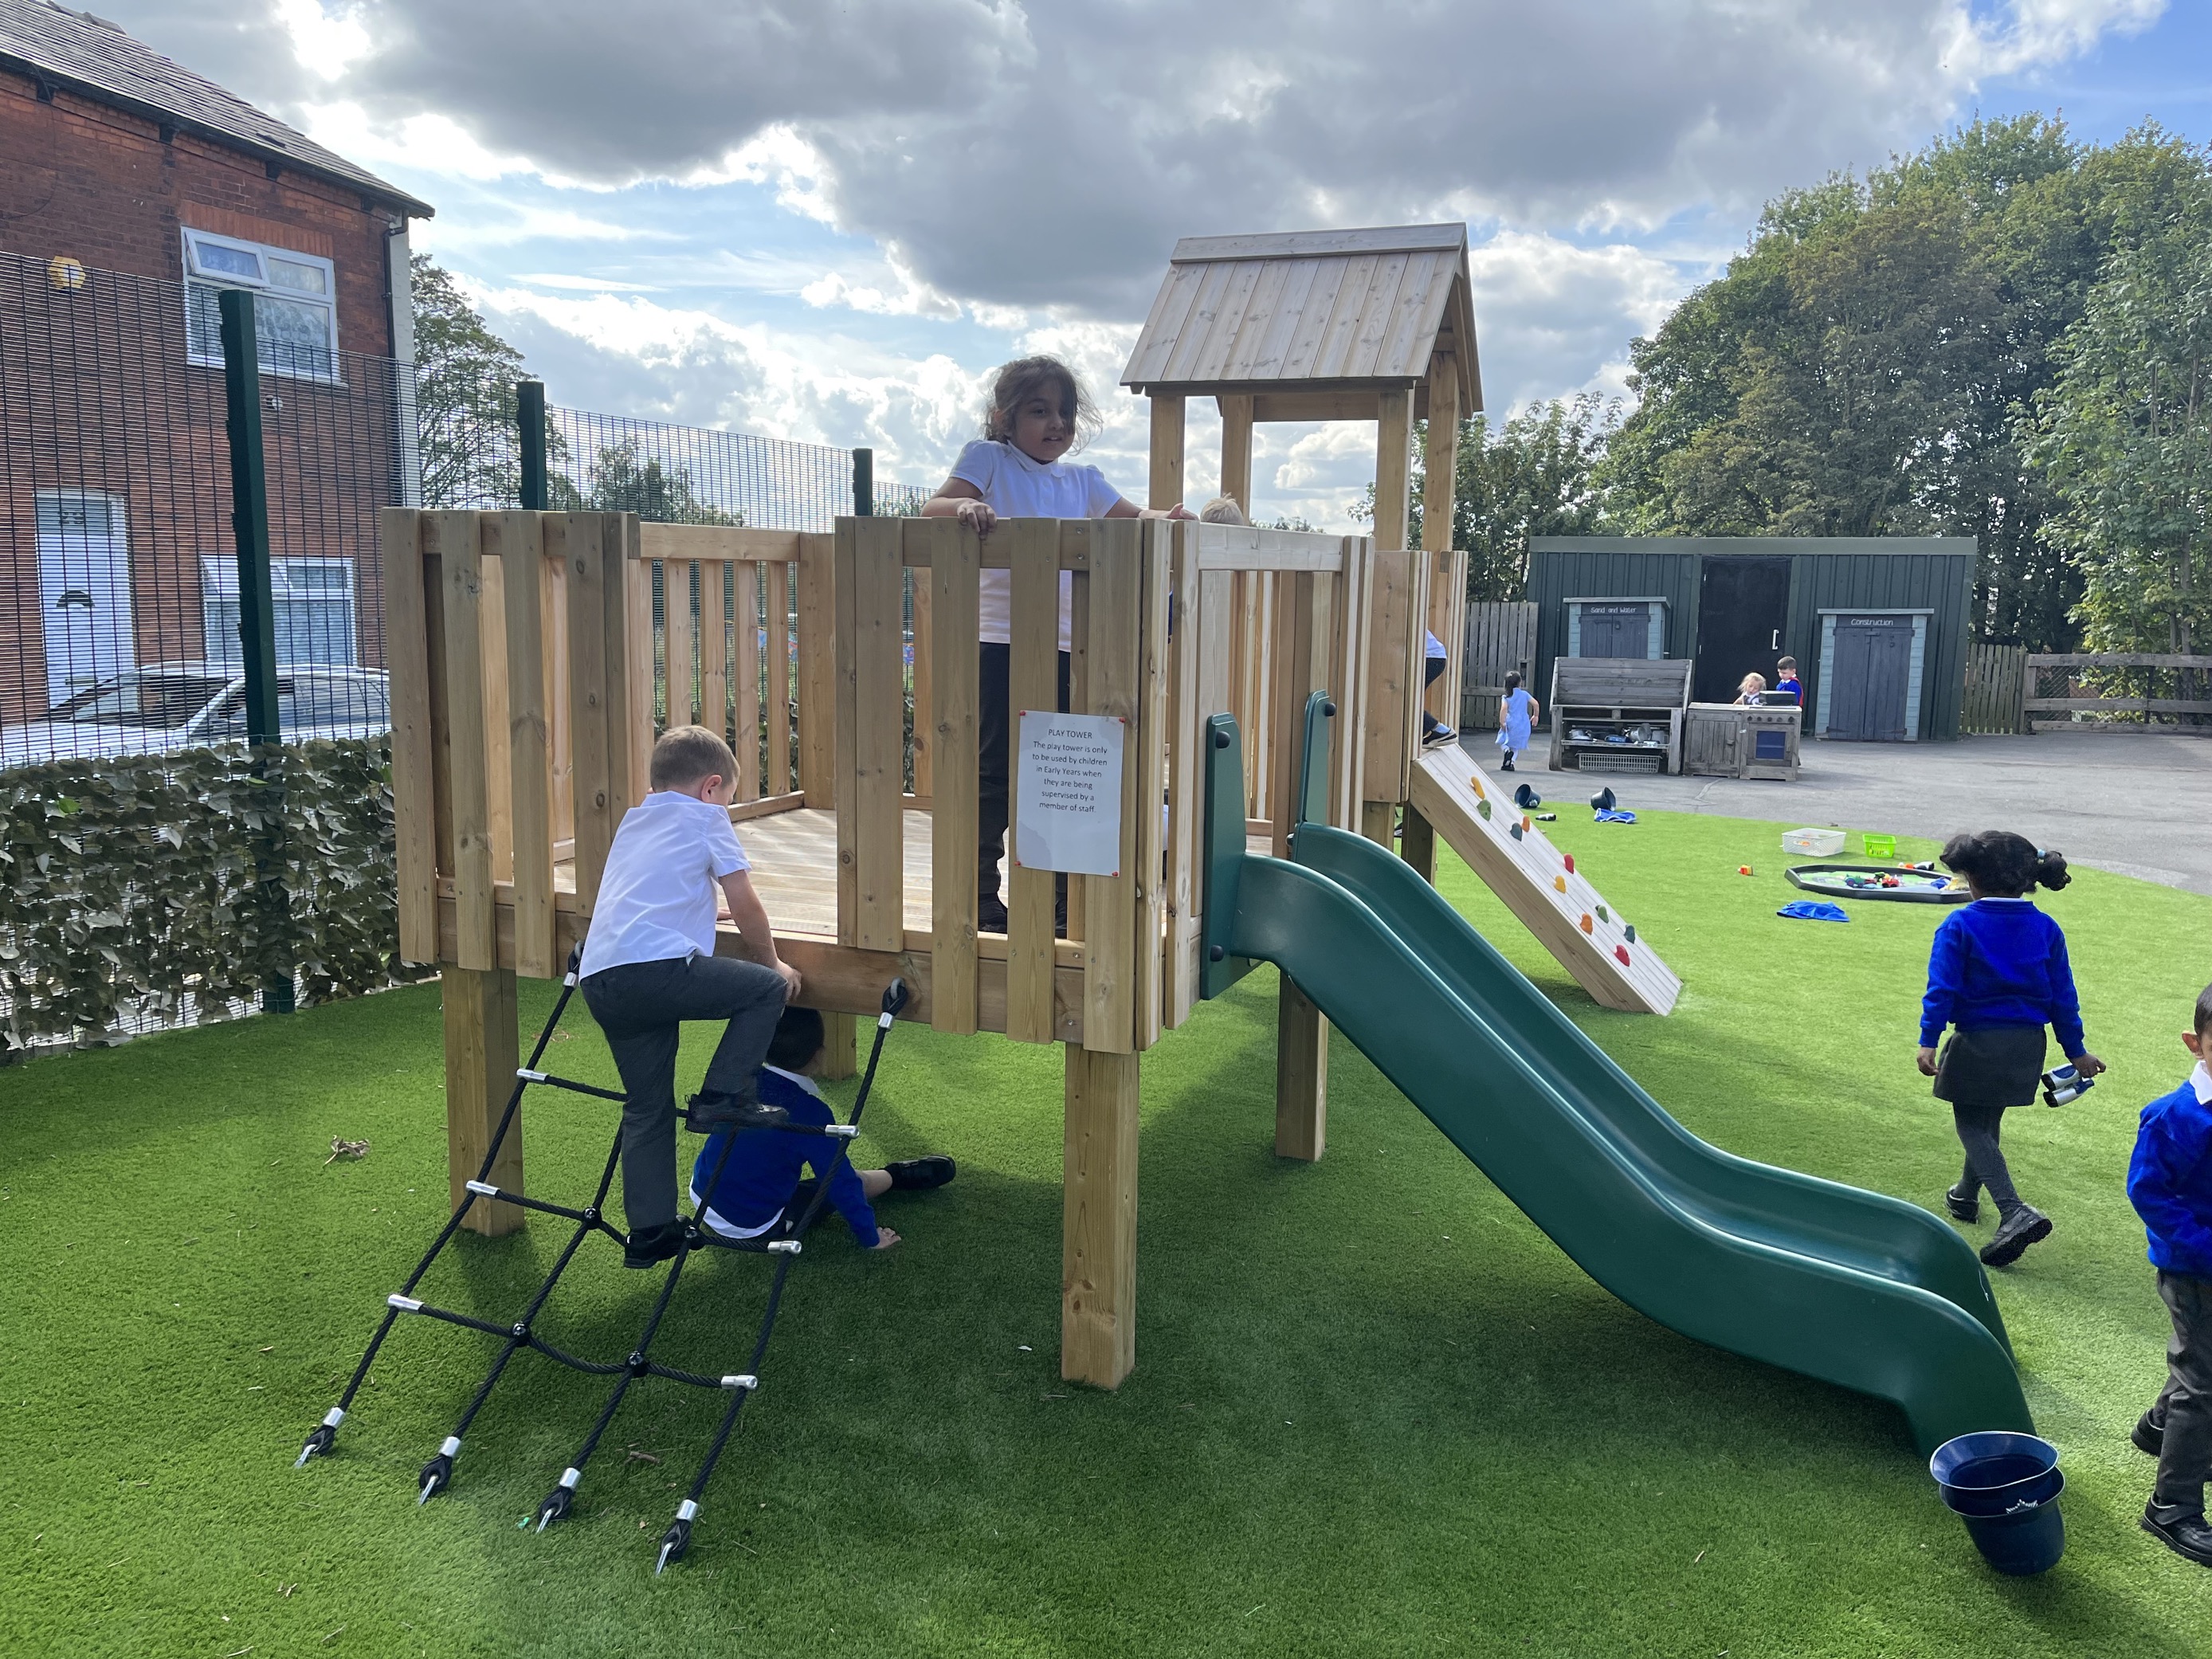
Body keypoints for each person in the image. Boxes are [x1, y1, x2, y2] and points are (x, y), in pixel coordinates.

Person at [921, 356, 1193, 933]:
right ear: (1004, 417)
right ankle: (981, 898)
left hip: (1072, 649)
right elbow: (934, 507)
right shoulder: (989, 459)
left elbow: (1132, 517)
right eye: (1039, 411)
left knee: (1064, 771)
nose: (1056, 424)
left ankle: (1064, 902)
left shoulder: (1084, 480)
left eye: (1064, 413)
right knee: (993, 772)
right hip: (998, 643)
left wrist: (1164, 518)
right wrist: (964, 507)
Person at [578, 725, 802, 1269]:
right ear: (711, 787)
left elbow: (655, 890)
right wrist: (770, 959)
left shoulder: (635, 822)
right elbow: (745, 900)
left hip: (602, 978)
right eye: (727, 797)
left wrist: (701, 911)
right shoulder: (707, 818)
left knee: (646, 1106)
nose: (724, 806)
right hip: (656, 972)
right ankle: (725, 1096)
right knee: (765, 989)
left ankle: (651, 1231)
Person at [1916, 830, 2104, 1267]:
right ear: (2026, 879)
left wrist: (1928, 1039)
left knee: (1970, 1124)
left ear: (1972, 879)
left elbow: (1942, 989)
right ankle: (1965, 1195)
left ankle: (2013, 1210)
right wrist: (2077, 1051)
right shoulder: (2045, 926)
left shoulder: (1959, 924)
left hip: (1978, 1039)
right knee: (1987, 1117)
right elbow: (2063, 995)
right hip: (2027, 1045)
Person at [691, 1006, 956, 1252]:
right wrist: (872, 1238)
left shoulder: (741, 1077)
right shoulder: (810, 1112)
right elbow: (839, 1181)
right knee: (848, 1182)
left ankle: (889, 1177)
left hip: (701, 1195)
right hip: (752, 1226)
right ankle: (894, 1176)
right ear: (819, 1055)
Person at [2128, 982, 2212, 1567]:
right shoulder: (2175, 1117)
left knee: (2201, 1365)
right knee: (2202, 1384)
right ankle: (2172, 1507)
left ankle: (2159, 1428)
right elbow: (2149, 1192)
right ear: (2196, 1043)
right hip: (2194, 1270)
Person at [1495, 670, 1537, 772]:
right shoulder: (1525, 694)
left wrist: (1502, 722)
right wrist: (1536, 716)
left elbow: (1504, 709)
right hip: (1523, 724)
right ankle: (1511, 763)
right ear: (1520, 683)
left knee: (1503, 740)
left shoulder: (1506, 697)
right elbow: (1536, 704)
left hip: (1511, 723)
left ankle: (1506, 751)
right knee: (1516, 746)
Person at [1421, 631, 1455, 747]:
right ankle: (1436, 730)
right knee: (1409, 700)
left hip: (1430, 658)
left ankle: (1440, 730)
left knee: (1407, 700)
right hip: (1434, 657)